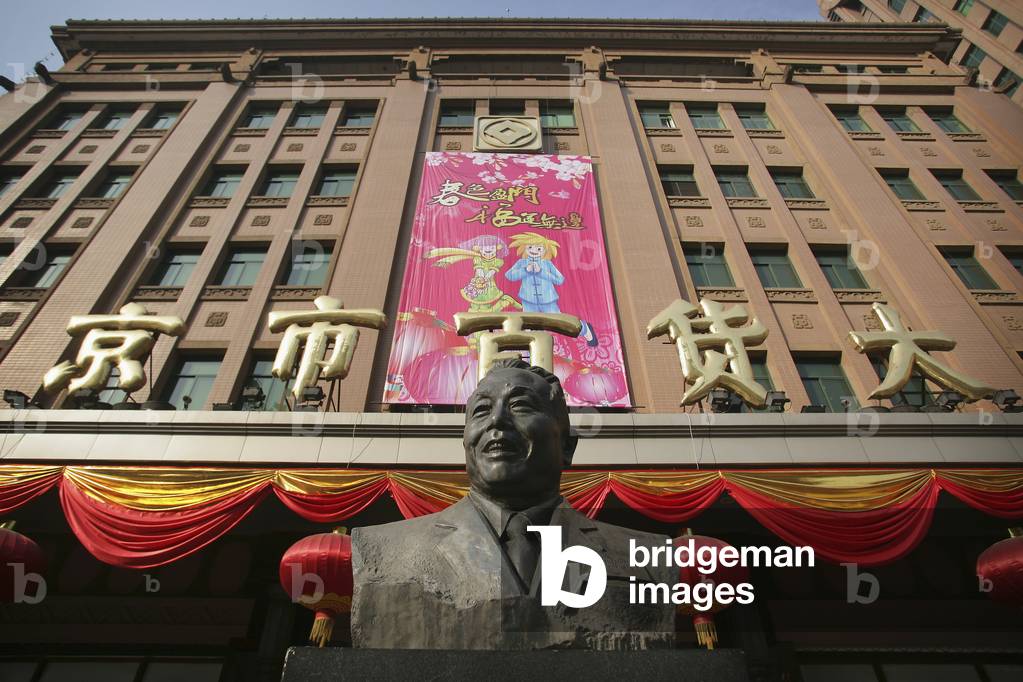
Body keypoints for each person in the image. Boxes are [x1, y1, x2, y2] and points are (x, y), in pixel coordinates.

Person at [351, 358, 673, 649]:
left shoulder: (643, 556)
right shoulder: (384, 549)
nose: (497, 421)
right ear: (465, 440)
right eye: (481, 410)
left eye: (520, 406)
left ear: (567, 446)